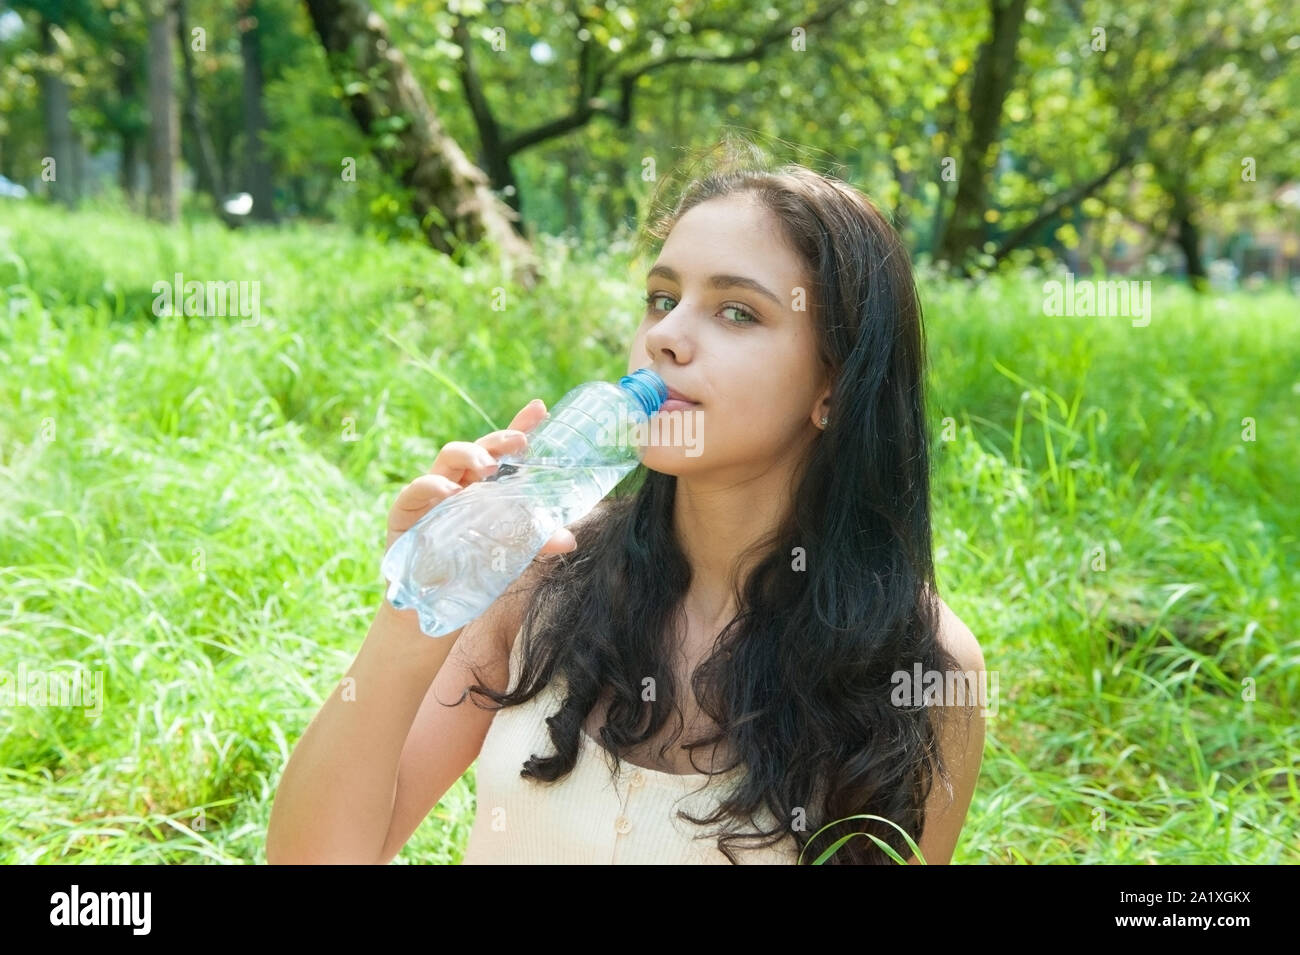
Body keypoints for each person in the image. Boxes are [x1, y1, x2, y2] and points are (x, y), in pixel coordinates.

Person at [267, 133, 987, 865]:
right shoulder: (540, 570)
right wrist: (415, 610)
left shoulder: (919, 664)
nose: (666, 336)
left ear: (834, 385)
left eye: (737, 311)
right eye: (662, 298)